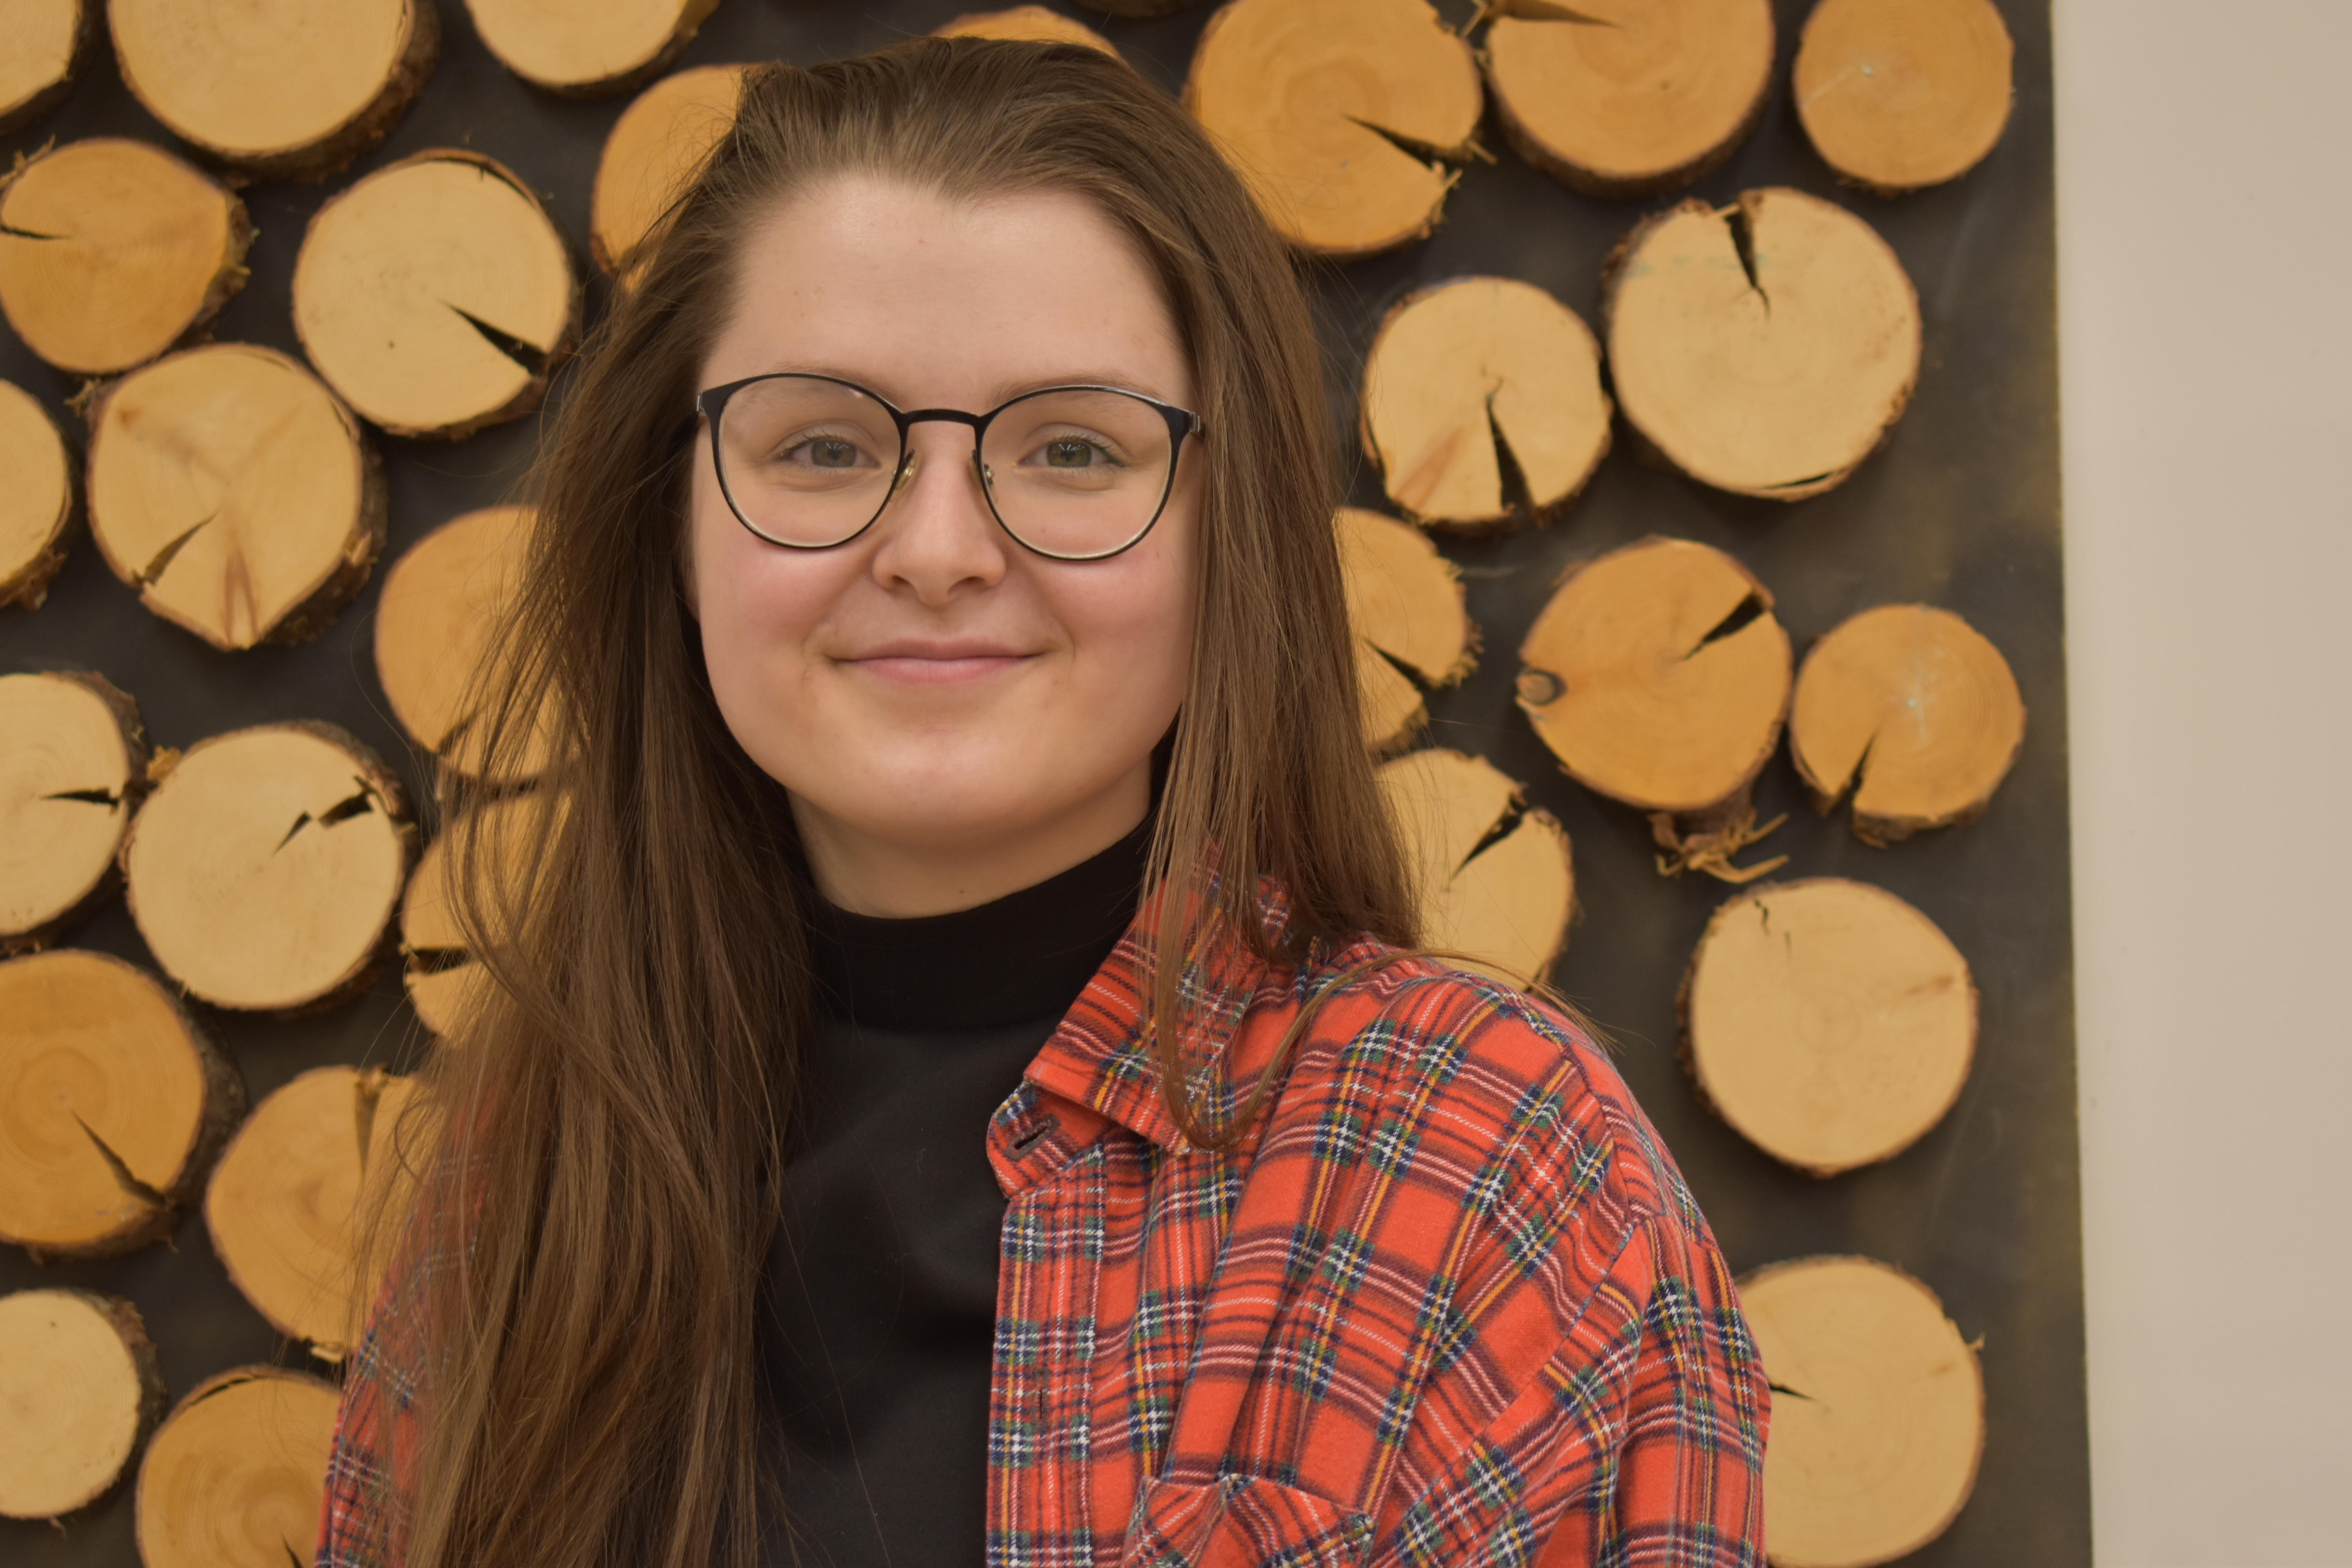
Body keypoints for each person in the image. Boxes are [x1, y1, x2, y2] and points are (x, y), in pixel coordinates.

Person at [321, 36, 1768, 1568]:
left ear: (1231, 541)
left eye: (1073, 447)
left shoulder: (1484, 1159)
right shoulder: (512, 1191)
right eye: (820, 445)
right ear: (670, 531)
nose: (937, 547)